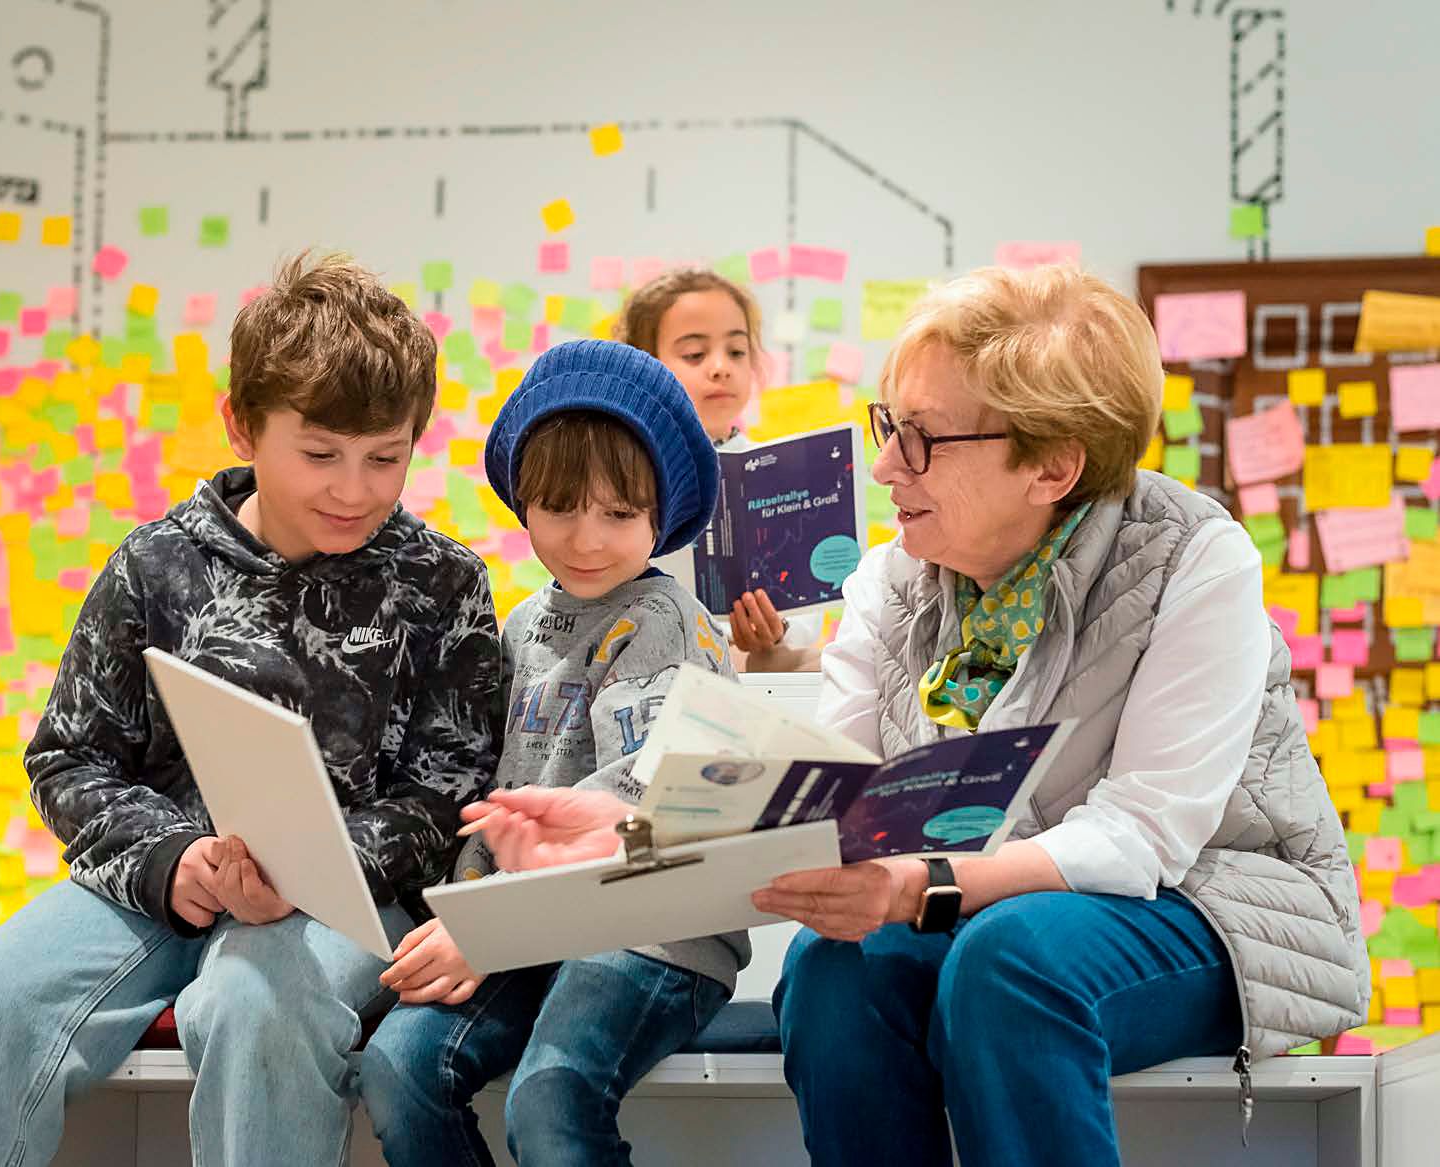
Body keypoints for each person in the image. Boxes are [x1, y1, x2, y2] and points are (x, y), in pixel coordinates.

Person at [463, 265, 1371, 1167]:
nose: (888, 465)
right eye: (889, 426)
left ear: (1052, 465)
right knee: (829, 973)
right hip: (984, 910)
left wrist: (920, 883)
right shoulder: (892, 580)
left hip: (1211, 906)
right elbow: (828, 799)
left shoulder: (1194, 560)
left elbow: (1143, 838)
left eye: (924, 440)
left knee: (1010, 961)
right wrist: (635, 826)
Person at [0, 253, 504, 1167]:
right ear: (243, 426)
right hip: (159, 886)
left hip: (346, 902)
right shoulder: (155, 565)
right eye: (320, 453)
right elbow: (70, 759)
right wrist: (177, 862)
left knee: (251, 1011)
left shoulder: (443, 585)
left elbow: (452, 789)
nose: (354, 488)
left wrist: (313, 868)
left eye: (386, 457)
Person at [357, 339, 742, 1167]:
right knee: (396, 1066)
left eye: (618, 513)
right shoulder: (522, 624)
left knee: (551, 1093)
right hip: (525, 930)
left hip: (654, 929)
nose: (586, 538)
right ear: (522, 500)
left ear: (660, 515)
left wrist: (490, 922)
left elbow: (629, 816)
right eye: (560, 506)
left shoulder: (665, 623)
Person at [616, 269, 822, 672]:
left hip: (749, 663)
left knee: (819, 663)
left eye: (736, 352)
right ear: (644, 366)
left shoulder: (777, 470)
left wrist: (777, 629)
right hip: (649, 656)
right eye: (694, 354)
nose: (720, 367)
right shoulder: (624, 473)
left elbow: (805, 615)